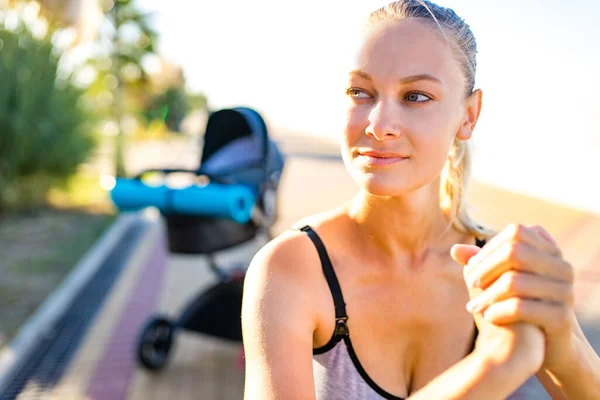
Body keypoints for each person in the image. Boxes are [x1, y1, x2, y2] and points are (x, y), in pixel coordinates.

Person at [240, 1, 600, 398]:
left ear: (469, 115)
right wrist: (494, 364)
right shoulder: (290, 270)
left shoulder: (502, 273)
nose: (378, 125)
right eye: (360, 91)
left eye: (415, 96)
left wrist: (562, 338)